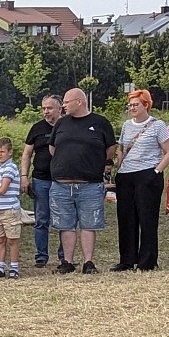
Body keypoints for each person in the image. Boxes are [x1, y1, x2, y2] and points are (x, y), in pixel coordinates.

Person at [49, 88, 117, 275]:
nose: (63, 105)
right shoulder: (61, 123)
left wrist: (98, 163)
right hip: (61, 184)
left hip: (90, 184)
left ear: (79, 102)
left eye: (66, 102)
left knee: (89, 224)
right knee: (65, 224)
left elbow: (110, 148)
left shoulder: (100, 122)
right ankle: (68, 262)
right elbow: (52, 149)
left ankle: (88, 262)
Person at [111, 89, 169, 271]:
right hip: (126, 175)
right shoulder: (126, 126)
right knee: (126, 217)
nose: (132, 108)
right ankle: (127, 259)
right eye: (130, 105)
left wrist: (156, 171)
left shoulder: (157, 125)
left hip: (147, 173)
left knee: (147, 217)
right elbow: (122, 149)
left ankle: (147, 261)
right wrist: (117, 167)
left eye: (136, 104)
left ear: (146, 105)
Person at [21, 95, 65, 267]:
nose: (46, 111)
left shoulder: (68, 125)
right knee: (41, 219)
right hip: (41, 180)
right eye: (43, 108)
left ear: (60, 108)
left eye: (49, 108)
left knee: (64, 219)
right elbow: (26, 154)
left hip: (63, 180)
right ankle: (41, 256)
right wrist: (24, 177)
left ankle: (64, 256)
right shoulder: (37, 128)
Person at [0, 138, 23, 278]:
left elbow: (2, 189)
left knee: (12, 239)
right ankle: (0, 266)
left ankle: (14, 267)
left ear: (10, 152)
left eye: (2, 151)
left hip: (9, 209)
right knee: (0, 239)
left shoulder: (10, 168)